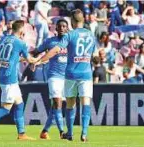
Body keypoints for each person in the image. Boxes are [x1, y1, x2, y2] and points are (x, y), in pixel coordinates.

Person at [34, 9, 97, 142]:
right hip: (86, 73)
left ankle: (70, 133)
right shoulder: (91, 35)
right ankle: (84, 133)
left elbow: (56, 50)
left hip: (71, 74)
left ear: (72, 22)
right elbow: (94, 56)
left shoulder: (71, 35)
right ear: (83, 20)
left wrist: (41, 60)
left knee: (70, 104)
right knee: (86, 102)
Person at [32, 19, 69, 139]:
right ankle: (62, 132)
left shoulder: (71, 42)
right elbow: (36, 51)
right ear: (56, 29)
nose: (62, 28)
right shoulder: (49, 42)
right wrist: (27, 58)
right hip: (54, 76)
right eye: (60, 26)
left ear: (67, 28)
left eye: (64, 26)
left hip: (67, 78)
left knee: (55, 107)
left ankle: (44, 131)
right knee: (57, 103)